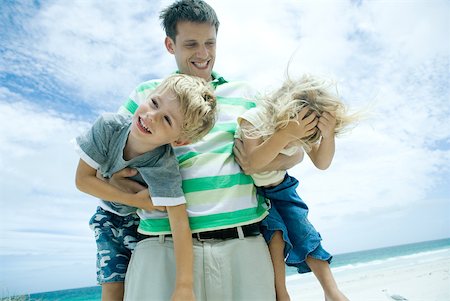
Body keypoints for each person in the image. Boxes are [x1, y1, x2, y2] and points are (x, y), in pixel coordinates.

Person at [110, 1, 310, 300]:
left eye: (209, 43)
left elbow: (293, 150)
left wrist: (288, 156)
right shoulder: (147, 96)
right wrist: (131, 195)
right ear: (170, 44)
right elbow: (107, 162)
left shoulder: (245, 94)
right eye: (191, 44)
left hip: (244, 244)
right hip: (162, 248)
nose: (203, 54)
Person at [74, 73, 217, 301]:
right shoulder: (108, 127)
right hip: (106, 217)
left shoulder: (164, 163)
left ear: (179, 141)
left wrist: (184, 286)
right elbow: (82, 180)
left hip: (139, 226)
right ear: (148, 96)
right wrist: (136, 200)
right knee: (112, 286)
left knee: (139, 287)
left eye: (167, 120)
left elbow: (179, 222)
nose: (151, 116)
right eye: (154, 103)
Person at [236, 74, 357, 301]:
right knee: (276, 235)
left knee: (305, 231)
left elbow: (322, 163)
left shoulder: (305, 127)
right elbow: (252, 163)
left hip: (283, 187)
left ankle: (332, 291)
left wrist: (328, 135)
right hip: (254, 192)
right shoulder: (254, 120)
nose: (295, 145)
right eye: (296, 138)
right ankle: (282, 294)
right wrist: (285, 136)